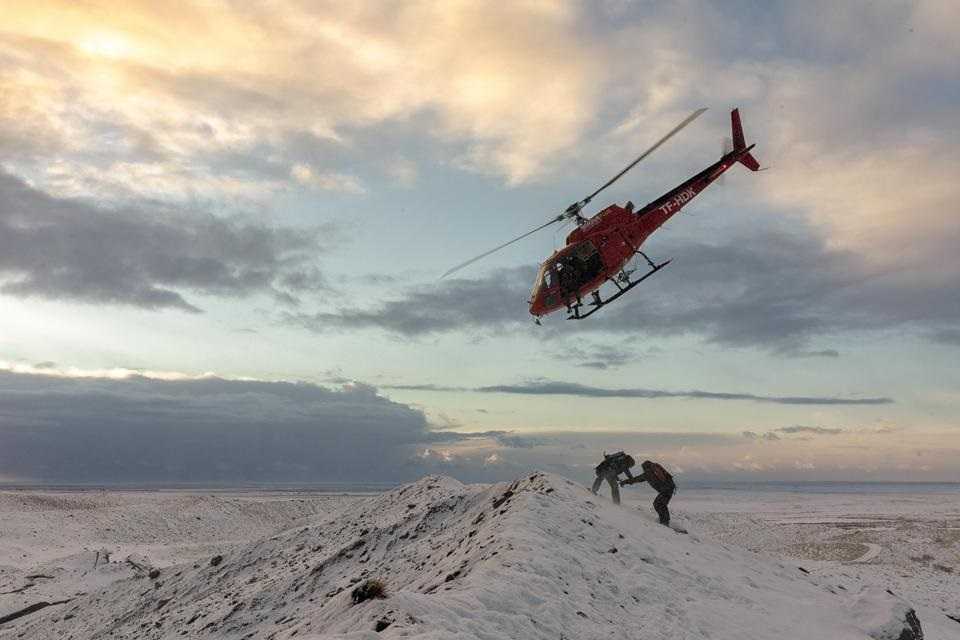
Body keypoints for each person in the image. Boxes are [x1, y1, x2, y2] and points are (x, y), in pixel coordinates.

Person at [620, 460, 676, 526]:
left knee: (658, 504)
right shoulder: (653, 471)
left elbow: (636, 479)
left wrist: (624, 482)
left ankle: (665, 521)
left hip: (666, 490)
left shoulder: (647, 474)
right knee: (660, 504)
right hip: (670, 488)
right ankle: (664, 520)